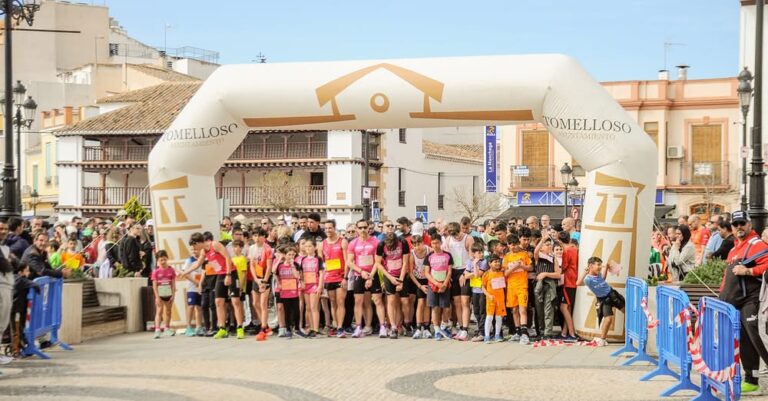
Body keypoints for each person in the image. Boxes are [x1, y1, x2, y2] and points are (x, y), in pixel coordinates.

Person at [718, 211, 768, 395]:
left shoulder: (757, 244)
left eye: (742, 223)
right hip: (735, 303)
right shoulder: (733, 249)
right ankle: (751, 380)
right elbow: (727, 277)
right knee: (746, 341)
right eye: (735, 224)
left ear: (749, 225)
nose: (739, 227)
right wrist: (721, 294)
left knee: (756, 336)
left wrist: (748, 271)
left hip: (753, 300)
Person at [202, 231, 245, 340]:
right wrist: (184, 272)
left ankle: (240, 328)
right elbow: (198, 263)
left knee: (235, 301)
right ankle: (222, 328)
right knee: (218, 302)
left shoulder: (215, 245)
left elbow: (228, 258)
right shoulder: (204, 251)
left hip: (231, 272)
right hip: (220, 275)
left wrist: (229, 274)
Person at [347, 219, 383, 338]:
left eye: (364, 227)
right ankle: (359, 326)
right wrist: (361, 272)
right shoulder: (353, 243)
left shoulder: (376, 242)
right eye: (360, 227)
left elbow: (378, 261)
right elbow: (350, 262)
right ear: (357, 229)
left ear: (369, 228)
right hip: (359, 275)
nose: (362, 230)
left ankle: (378, 326)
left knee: (376, 300)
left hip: (373, 274)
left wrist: (370, 276)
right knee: (359, 302)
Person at [577, 256, 620, 346]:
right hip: (603, 300)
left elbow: (602, 279)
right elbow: (578, 283)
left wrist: (607, 268)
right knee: (608, 319)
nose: (600, 267)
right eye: (598, 265)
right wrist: (584, 273)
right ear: (590, 266)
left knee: (626, 311)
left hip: (612, 294)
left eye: (601, 264)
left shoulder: (598, 274)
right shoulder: (588, 279)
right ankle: (602, 339)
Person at [376, 231, 410, 339]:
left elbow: (405, 262)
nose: (390, 249)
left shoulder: (403, 242)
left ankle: (405, 323)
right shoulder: (381, 245)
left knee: (404, 301)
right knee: (391, 300)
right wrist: (390, 277)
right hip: (389, 274)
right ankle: (394, 327)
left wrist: (401, 279)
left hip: (402, 273)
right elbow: (377, 263)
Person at [443, 221, 473, 341]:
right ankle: (461, 327)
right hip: (454, 271)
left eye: (456, 234)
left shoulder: (468, 238)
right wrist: (448, 274)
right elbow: (445, 258)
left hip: (465, 271)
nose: (455, 237)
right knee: (457, 302)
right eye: (452, 235)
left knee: (465, 301)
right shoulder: (448, 240)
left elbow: (472, 258)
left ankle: (465, 328)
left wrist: (465, 273)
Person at [319, 220, 348, 338]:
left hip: (340, 277)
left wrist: (345, 277)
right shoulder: (322, 244)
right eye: (326, 228)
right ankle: (335, 325)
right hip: (329, 278)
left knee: (340, 302)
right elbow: (321, 264)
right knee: (333, 302)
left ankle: (341, 327)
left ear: (334, 228)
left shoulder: (343, 241)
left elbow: (347, 261)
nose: (328, 230)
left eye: (330, 228)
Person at [504, 234, 532, 344]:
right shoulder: (507, 257)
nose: (513, 247)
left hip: (522, 286)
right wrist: (514, 267)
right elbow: (505, 273)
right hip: (511, 287)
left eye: (515, 245)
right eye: (511, 245)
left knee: (522, 310)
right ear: (508, 245)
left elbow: (530, 267)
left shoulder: (524, 254)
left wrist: (522, 266)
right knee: (514, 310)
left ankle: (524, 333)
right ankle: (517, 331)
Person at [423, 236, 453, 341]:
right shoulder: (429, 256)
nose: (435, 245)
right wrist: (436, 283)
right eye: (433, 243)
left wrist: (444, 284)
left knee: (446, 307)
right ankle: (436, 330)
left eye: (437, 243)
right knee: (435, 307)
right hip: (433, 285)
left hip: (445, 284)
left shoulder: (447, 255)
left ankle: (443, 327)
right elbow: (426, 272)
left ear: (440, 243)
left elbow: (449, 271)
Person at [533, 235, 560, 339]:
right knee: (539, 310)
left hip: (549, 285)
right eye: (546, 245)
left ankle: (547, 333)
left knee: (548, 310)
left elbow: (558, 274)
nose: (549, 246)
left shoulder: (554, 258)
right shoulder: (538, 257)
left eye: (550, 245)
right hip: (539, 286)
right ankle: (541, 330)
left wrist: (545, 274)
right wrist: (542, 240)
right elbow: (535, 252)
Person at [249, 228, 273, 341]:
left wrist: (264, 281)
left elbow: (269, 267)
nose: (257, 238)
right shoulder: (251, 248)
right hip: (256, 278)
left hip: (265, 277)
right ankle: (266, 324)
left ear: (264, 237)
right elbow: (251, 266)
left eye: (259, 236)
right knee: (255, 303)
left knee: (263, 303)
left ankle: (263, 328)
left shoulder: (267, 249)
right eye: (254, 236)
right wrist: (256, 279)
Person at [298, 240, 324, 337]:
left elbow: (321, 273)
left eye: (310, 246)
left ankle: (316, 329)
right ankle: (311, 327)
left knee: (314, 307)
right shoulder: (303, 259)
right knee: (308, 308)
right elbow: (301, 273)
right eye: (306, 246)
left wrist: (320, 286)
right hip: (306, 286)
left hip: (314, 285)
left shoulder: (318, 259)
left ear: (314, 247)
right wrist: (302, 282)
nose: (308, 248)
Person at [178, 245, 205, 337]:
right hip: (192, 287)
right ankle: (189, 326)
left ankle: (199, 326)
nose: (194, 251)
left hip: (200, 287)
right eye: (192, 249)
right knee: (191, 306)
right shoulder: (189, 260)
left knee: (199, 307)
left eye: (196, 249)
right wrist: (196, 282)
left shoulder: (203, 259)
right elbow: (185, 273)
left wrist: (200, 283)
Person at [408, 235, 432, 339]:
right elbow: (410, 272)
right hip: (418, 280)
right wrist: (419, 285)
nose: (417, 246)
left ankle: (426, 327)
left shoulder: (429, 251)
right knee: (420, 302)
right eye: (415, 245)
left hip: (429, 278)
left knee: (427, 302)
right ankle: (418, 327)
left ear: (423, 242)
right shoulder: (412, 254)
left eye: (419, 243)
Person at [274, 245, 301, 338]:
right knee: (287, 311)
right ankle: (288, 329)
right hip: (285, 292)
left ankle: (297, 328)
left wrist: (292, 265)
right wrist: (279, 284)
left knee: (296, 310)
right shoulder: (280, 266)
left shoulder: (296, 265)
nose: (291, 257)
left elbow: (297, 276)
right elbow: (275, 273)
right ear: (285, 255)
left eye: (293, 255)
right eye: (289, 255)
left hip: (294, 291)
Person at [558, 231, 579, 341]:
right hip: (574, 279)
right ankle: (564, 332)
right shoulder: (574, 249)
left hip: (568, 280)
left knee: (563, 307)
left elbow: (564, 266)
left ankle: (572, 333)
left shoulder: (566, 251)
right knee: (568, 307)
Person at [151, 250, 176, 339]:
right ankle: (157, 330)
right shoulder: (156, 271)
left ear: (167, 259)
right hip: (160, 295)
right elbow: (154, 285)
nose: (163, 262)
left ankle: (167, 328)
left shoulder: (171, 270)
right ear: (158, 260)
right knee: (159, 311)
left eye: (165, 259)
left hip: (168, 295)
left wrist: (173, 295)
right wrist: (157, 297)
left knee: (168, 311)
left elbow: (173, 284)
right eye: (161, 260)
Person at [466, 242, 488, 342]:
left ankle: (482, 332)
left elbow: (477, 275)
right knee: (476, 311)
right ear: (473, 253)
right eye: (479, 252)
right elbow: (465, 275)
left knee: (482, 311)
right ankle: (480, 329)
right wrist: (472, 271)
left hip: (482, 290)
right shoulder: (469, 262)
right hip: (474, 290)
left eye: (482, 252)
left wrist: (475, 264)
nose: (481, 254)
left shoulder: (484, 262)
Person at [482, 255, 506, 343]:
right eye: (495, 262)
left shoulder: (501, 272)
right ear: (489, 263)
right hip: (491, 299)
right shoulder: (486, 274)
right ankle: (487, 336)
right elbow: (483, 287)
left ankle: (497, 335)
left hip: (500, 299)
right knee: (489, 317)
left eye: (498, 261)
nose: (497, 263)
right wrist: (489, 295)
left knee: (499, 317)